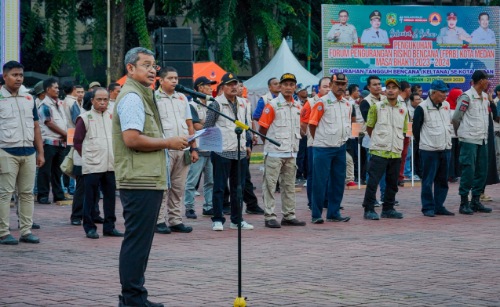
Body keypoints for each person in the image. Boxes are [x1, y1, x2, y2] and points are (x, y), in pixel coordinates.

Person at [114, 47, 188, 307]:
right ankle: (132, 299)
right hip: (139, 179)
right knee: (136, 242)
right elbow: (132, 139)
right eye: (145, 65)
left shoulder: (143, 95)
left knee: (141, 242)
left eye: (154, 65)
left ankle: (135, 296)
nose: (152, 70)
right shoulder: (133, 97)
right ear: (130, 69)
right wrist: (168, 142)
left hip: (147, 177)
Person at [0, 61, 44, 245]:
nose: (19, 78)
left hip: (28, 151)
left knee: (27, 193)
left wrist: (40, 152)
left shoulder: (29, 98)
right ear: (4, 77)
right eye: (14, 75)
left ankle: (26, 231)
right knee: (5, 194)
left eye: (21, 75)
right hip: (5, 151)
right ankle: (3, 232)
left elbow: (35, 126)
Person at [203, 72, 254, 231]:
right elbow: (208, 127)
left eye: (235, 84)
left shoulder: (244, 103)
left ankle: (237, 219)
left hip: (239, 150)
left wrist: (247, 144)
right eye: (230, 84)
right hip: (221, 151)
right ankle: (217, 219)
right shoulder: (216, 104)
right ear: (222, 87)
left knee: (238, 187)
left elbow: (246, 124)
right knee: (219, 187)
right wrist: (213, 148)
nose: (233, 87)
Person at [258, 73, 307, 228]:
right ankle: (270, 216)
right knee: (270, 186)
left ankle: (289, 215)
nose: (288, 88)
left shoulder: (297, 106)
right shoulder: (272, 105)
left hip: (291, 152)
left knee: (289, 186)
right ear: (280, 87)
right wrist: (270, 145)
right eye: (285, 84)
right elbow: (262, 129)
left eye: (291, 85)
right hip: (274, 152)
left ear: (295, 87)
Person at [74, 88, 123, 239]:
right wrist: (89, 156)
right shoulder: (85, 117)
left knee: (110, 197)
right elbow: (77, 142)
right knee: (90, 196)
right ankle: (89, 227)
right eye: (99, 99)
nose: (102, 102)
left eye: (105, 99)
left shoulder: (113, 116)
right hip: (93, 164)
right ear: (92, 100)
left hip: (111, 163)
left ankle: (109, 227)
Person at [155, 66, 197, 234]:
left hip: (183, 148)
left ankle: (175, 220)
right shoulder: (154, 98)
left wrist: (194, 148)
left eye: (176, 79)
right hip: (164, 148)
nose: (174, 81)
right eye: (170, 78)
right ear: (161, 80)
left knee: (179, 187)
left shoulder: (182, 98)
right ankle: (158, 220)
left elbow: (189, 124)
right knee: (163, 187)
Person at [308, 73, 353, 224]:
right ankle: (316, 214)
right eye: (337, 84)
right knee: (320, 182)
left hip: (340, 146)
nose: (340, 87)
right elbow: (312, 124)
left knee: (338, 181)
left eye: (343, 84)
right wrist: (320, 140)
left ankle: (334, 213)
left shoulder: (347, 104)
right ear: (332, 85)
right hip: (323, 147)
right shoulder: (322, 103)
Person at [362, 79, 408, 220]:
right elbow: (369, 127)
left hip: (395, 151)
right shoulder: (377, 106)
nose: (390, 90)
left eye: (394, 88)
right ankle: (369, 209)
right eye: (388, 87)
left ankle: (388, 208)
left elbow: (404, 130)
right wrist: (379, 140)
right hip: (379, 150)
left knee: (392, 182)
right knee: (373, 181)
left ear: (399, 91)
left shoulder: (403, 109)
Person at [412, 80, 455, 217]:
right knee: (428, 181)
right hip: (429, 150)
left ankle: (439, 206)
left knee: (442, 181)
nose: (445, 95)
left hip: (445, 148)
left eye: (445, 92)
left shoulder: (446, 105)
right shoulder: (422, 108)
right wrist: (424, 144)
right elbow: (416, 130)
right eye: (442, 92)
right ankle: (428, 207)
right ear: (433, 92)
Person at [452, 70, 491, 215]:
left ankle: (475, 200)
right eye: (486, 79)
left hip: (482, 138)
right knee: (469, 169)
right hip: (468, 139)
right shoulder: (466, 96)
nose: (488, 82)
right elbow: (456, 118)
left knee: (482, 170)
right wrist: (460, 133)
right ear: (480, 81)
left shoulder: (485, 97)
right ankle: (464, 202)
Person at [184, 76, 216, 217]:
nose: (211, 88)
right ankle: (189, 207)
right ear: (200, 87)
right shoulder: (192, 105)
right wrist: (211, 127)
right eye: (208, 85)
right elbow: (196, 125)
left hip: (211, 147)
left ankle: (208, 206)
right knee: (192, 181)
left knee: (210, 181)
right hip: (198, 147)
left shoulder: (212, 104)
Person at [37, 78, 69, 205]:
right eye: (55, 88)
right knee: (45, 170)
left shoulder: (59, 103)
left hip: (60, 142)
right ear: (47, 89)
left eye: (58, 87)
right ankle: (43, 195)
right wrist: (65, 134)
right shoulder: (44, 105)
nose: (57, 90)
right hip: (49, 141)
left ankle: (58, 195)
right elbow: (49, 122)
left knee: (58, 171)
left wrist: (65, 135)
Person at [300, 77, 330, 209]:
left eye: (330, 86)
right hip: (314, 144)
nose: (328, 89)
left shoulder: (335, 101)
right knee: (313, 174)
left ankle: (326, 200)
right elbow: (303, 123)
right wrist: (314, 137)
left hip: (331, 144)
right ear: (318, 88)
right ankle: (312, 202)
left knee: (328, 174)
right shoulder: (311, 102)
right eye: (324, 86)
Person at [237, 80, 264, 215]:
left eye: (242, 86)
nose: (241, 88)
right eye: (238, 86)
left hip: (246, 140)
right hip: (234, 141)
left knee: (244, 174)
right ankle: (249, 203)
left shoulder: (246, 102)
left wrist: (253, 134)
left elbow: (249, 120)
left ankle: (251, 203)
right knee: (240, 175)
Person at [446, 88, 463, 183]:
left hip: (459, 135)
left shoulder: (460, 107)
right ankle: (450, 175)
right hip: (450, 135)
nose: (459, 99)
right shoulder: (447, 107)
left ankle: (457, 173)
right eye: (457, 97)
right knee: (451, 156)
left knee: (458, 155)